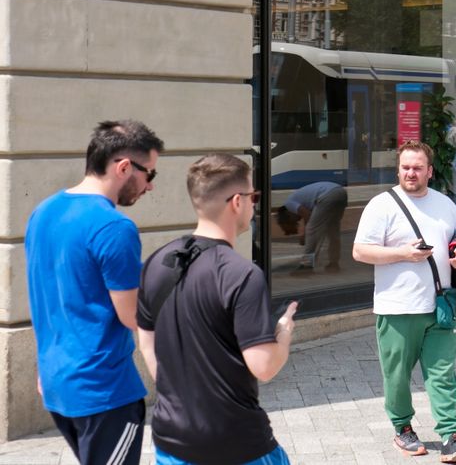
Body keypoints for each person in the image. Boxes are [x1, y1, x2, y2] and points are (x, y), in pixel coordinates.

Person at [137, 154, 296, 464]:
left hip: (172, 441)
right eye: (254, 197)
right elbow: (264, 366)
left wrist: (178, 395)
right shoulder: (242, 274)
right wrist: (285, 333)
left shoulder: (157, 261)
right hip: (237, 443)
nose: (254, 205)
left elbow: (146, 341)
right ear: (237, 201)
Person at [25, 120, 164, 465]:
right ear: (123, 167)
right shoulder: (114, 227)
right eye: (150, 175)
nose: (150, 187)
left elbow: (53, 296)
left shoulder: (42, 212)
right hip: (104, 391)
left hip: (58, 382)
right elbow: (131, 315)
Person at [352, 140, 456, 462]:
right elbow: (360, 251)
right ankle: (403, 428)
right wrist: (402, 254)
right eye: (406, 167)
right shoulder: (382, 205)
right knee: (397, 375)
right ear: (398, 170)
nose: (411, 172)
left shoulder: (445, 204)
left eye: (418, 167)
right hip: (397, 307)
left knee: (442, 373)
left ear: (429, 171)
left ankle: (451, 435)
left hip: (440, 306)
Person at [277, 180, 348, 271]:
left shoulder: (289, 204)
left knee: (312, 231)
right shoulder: (299, 199)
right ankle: (334, 264)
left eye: (294, 221)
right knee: (333, 232)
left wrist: (304, 235)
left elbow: (307, 215)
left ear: (288, 215)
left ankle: (307, 266)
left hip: (327, 195)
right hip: (340, 192)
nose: (298, 220)